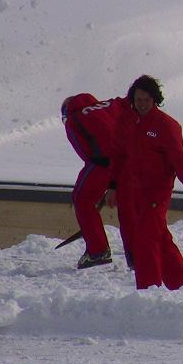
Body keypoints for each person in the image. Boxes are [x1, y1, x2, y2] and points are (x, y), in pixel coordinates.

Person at [107, 75, 183, 290]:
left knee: (145, 240)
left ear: (155, 100)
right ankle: (181, 285)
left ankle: (148, 290)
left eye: (146, 100)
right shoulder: (126, 121)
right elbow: (118, 156)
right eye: (138, 99)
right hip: (133, 191)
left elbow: (181, 162)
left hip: (157, 193)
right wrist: (112, 186)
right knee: (160, 238)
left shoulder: (166, 126)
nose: (141, 104)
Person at [62, 93, 130, 269]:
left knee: (82, 199)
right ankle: (137, 252)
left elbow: (85, 152)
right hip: (131, 158)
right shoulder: (110, 104)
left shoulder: (73, 119)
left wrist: (106, 183)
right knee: (131, 205)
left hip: (104, 163)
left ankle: (98, 251)